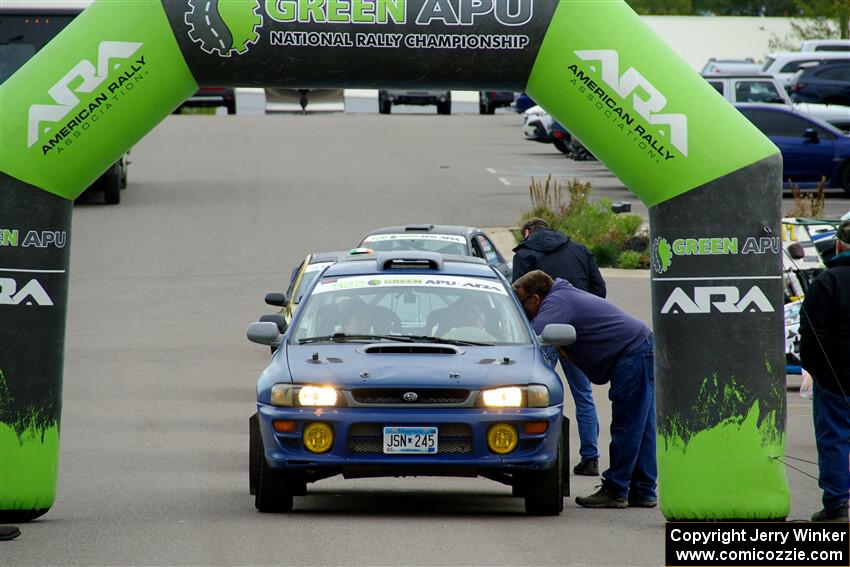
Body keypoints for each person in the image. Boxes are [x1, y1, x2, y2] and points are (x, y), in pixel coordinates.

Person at [513, 270, 656, 508]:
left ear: (536, 298)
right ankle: (643, 489)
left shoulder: (557, 302)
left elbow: (531, 338)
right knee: (642, 426)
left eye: (521, 301)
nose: (521, 308)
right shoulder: (563, 295)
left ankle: (615, 489)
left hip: (632, 354)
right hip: (639, 349)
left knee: (628, 424)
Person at [512, 218, 606, 476]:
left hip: (544, 332)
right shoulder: (579, 249)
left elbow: (518, 297)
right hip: (577, 333)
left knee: (541, 394)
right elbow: (599, 289)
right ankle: (591, 458)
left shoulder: (525, 253)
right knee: (583, 396)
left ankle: (547, 457)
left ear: (527, 232)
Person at [799, 220, 850, 522]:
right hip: (835, 374)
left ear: (840, 245)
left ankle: (837, 505)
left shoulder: (828, 281)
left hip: (836, 377)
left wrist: (816, 370)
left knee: (834, 439)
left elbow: (811, 333)